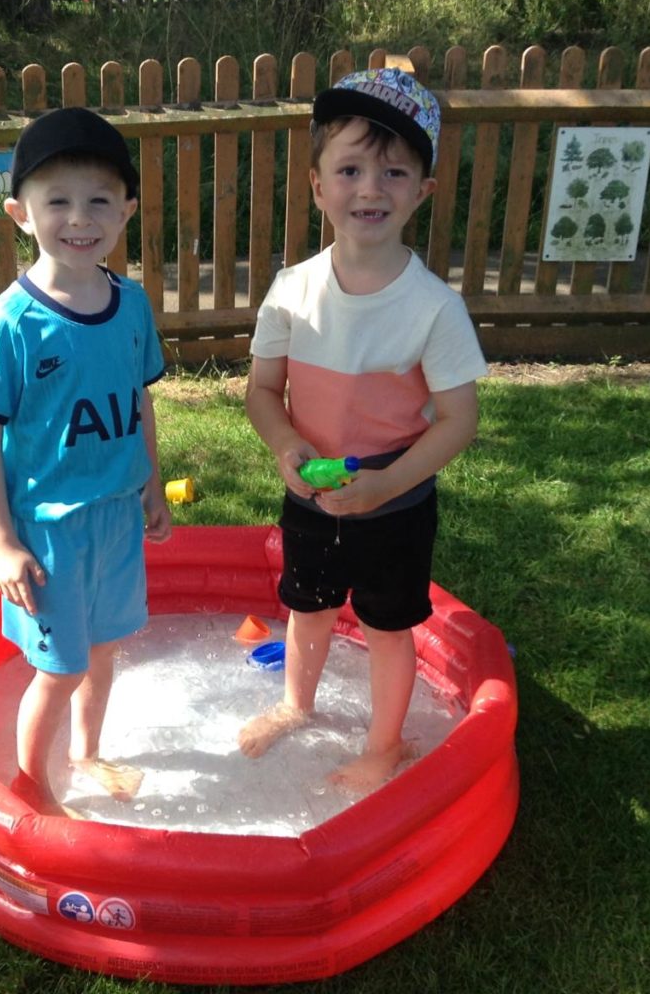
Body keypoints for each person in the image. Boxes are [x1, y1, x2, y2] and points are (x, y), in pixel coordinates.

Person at [238, 69, 488, 793]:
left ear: (422, 191)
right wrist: (285, 445)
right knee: (307, 606)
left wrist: (388, 483)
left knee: (387, 624)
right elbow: (262, 391)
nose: (370, 188)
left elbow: (459, 418)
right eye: (350, 170)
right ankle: (296, 704)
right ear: (318, 186)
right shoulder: (292, 290)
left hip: (396, 500)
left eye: (393, 172)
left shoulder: (433, 308)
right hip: (311, 492)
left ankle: (385, 744)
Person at [0, 107, 171, 817]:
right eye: (58, 202)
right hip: (48, 536)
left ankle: (85, 754)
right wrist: (2, 543)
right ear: (20, 214)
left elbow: (138, 399)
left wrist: (151, 482)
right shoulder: (11, 323)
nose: (80, 218)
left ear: (126, 210)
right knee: (60, 668)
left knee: (103, 653)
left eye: (100, 200)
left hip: (116, 518)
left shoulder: (131, 306)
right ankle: (32, 788)